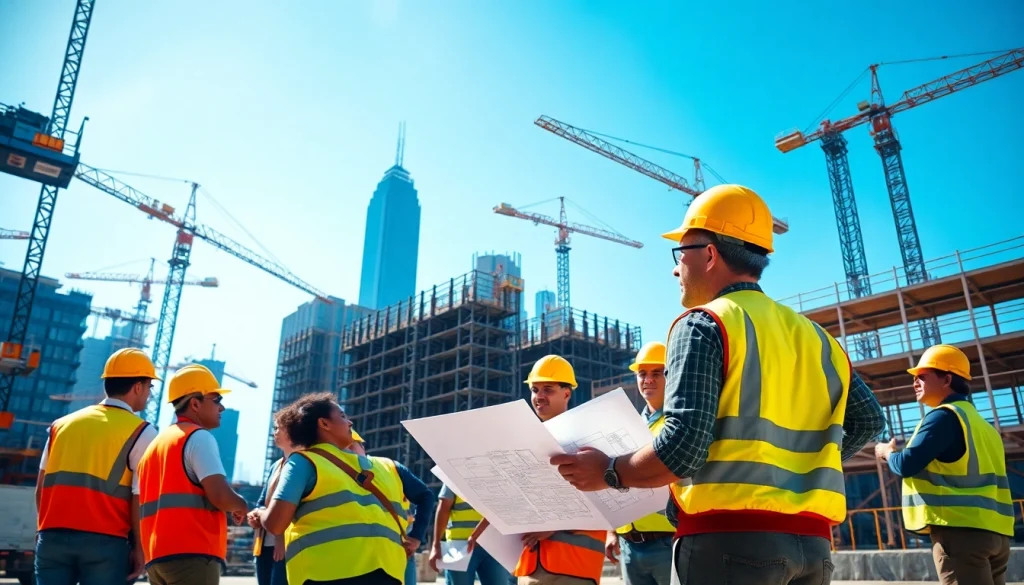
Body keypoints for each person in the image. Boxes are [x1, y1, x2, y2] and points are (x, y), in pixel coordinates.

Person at [550, 184, 887, 585]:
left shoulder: (704, 323)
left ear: (709, 254)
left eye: (680, 253)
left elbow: (683, 447)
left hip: (729, 544)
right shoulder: (819, 338)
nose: (676, 269)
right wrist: (804, 472)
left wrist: (608, 471)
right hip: (812, 548)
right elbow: (868, 421)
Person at [875, 344, 1013, 585]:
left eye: (922, 376)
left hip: (961, 533)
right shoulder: (985, 427)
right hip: (997, 535)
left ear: (947, 379)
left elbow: (906, 464)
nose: (915, 383)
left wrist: (887, 452)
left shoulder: (944, 416)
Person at [258, 392, 429, 585]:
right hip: (387, 570)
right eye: (342, 416)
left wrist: (261, 513)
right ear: (324, 423)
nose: (350, 422)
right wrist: (416, 536)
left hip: (324, 572)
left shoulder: (304, 462)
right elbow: (426, 496)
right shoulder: (388, 466)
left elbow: (275, 524)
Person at [469, 355, 606, 585]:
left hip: (573, 566)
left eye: (548, 389)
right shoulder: (526, 442)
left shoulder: (588, 440)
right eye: (535, 389)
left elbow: (606, 501)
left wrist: (553, 527)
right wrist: (480, 532)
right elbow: (512, 495)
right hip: (530, 565)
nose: (539, 396)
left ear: (567, 393)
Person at [34, 348, 160, 585]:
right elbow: (139, 498)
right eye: (149, 386)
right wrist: (140, 548)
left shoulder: (61, 426)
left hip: (52, 537)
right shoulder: (143, 432)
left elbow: (41, 488)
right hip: (106, 543)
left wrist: (43, 531)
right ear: (137, 387)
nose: (149, 394)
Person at [138, 363, 250, 585]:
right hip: (192, 554)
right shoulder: (198, 437)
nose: (222, 407)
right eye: (216, 399)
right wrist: (241, 505)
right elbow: (220, 495)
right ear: (195, 403)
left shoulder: (155, 445)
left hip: (156, 556)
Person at [605, 341, 673, 585]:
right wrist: (613, 530)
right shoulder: (630, 426)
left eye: (657, 373)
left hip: (668, 541)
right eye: (642, 373)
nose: (648, 380)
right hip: (629, 544)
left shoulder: (677, 424)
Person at [348, 428, 437, 585]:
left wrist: (416, 536)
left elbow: (426, 497)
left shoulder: (391, 467)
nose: (347, 452)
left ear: (362, 447)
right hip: (356, 553)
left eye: (351, 446)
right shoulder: (331, 471)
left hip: (397, 551)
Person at [428, 483, 512, 585]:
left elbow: (501, 508)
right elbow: (443, 508)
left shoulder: (498, 479)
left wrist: (477, 533)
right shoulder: (453, 476)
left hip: (493, 546)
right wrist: (436, 545)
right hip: (459, 547)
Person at [248, 412, 295, 585]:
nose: (274, 433)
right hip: (264, 544)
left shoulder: (300, 464)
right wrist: (255, 514)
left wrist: (281, 538)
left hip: (285, 546)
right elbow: (262, 502)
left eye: (277, 428)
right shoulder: (276, 465)